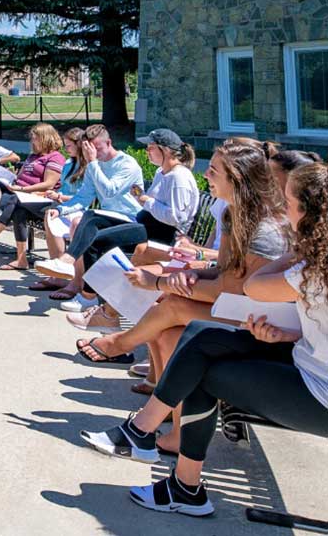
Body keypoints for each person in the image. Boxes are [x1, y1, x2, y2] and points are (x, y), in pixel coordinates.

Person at [79, 161, 328, 518]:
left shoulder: (313, 266)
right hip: (303, 355)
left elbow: (254, 286)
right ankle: (148, 441)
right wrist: (292, 332)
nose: (283, 210)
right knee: (199, 336)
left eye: (289, 203)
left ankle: (175, 474)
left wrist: (296, 251)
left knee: (202, 370)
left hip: (318, 390)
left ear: (309, 215)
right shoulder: (317, 261)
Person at [73, 140, 287, 423]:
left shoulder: (262, 226)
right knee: (167, 331)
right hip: (236, 306)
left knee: (172, 305)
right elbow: (223, 271)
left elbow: (230, 290)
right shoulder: (232, 214)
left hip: (263, 321)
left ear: (235, 179)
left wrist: (161, 282)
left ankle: (120, 343)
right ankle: (169, 416)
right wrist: (191, 274)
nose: (206, 175)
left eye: (213, 171)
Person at [32, 124, 144, 293]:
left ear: (109, 143)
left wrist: (92, 162)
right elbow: (83, 197)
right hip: (108, 218)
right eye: (90, 150)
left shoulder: (127, 164)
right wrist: (61, 210)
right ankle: (74, 280)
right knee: (75, 220)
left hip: (131, 219)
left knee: (84, 220)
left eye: (98, 148)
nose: (95, 154)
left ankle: (70, 271)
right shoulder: (95, 166)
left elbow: (110, 191)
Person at [0, 123, 65, 268]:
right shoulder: (33, 156)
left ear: (45, 138)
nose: (32, 141)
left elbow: (49, 184)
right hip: (19, 193)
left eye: (35, 138)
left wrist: (23, 189)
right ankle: (21, 260)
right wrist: (11, 179)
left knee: (15, 202)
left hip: (39, 198)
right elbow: (22, 175)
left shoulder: (55, 157)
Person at [31, 128, 89, 294]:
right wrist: (55, 196)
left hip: (81, 209)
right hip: (65, 206)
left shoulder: (89, 166)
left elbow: (85, 198)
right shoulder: (69, 164)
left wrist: (60, 197)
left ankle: (68, 273)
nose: (66, 149)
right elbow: (64, 189)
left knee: (74, 223)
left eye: (69, 145)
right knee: (51, 216)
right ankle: (57, 271)